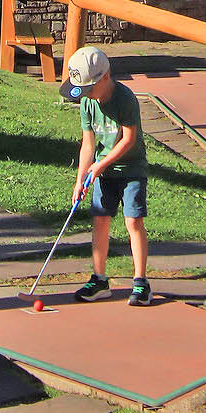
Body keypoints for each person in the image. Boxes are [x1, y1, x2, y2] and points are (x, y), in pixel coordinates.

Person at [66, 44, 151, 306]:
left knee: (132, 221)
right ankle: (100, 280)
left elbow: (128, 140)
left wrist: (101, 165)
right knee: (100, 219)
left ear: (104, 77)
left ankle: (140, 282)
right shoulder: (87, 104)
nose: (87, 95)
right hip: (102, 172)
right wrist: (80, 178)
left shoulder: (125, 99)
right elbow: (88, 145)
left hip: (131, 169)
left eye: (89, 88)